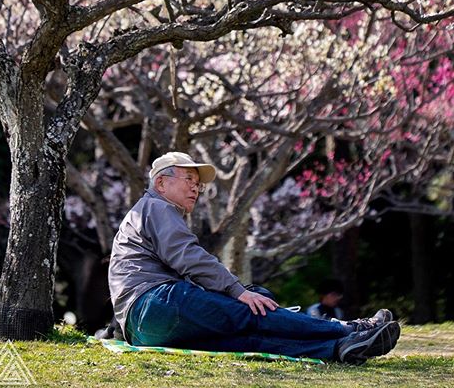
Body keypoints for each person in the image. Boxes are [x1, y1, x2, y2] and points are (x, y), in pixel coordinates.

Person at [106, 151, 401, 364]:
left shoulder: (147, 212)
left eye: (199, 183)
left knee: (245, 340)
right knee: (252, 310)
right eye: (189, 179)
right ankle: (351, 328)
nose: (196, 187)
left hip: (143, 328)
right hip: (157, 303)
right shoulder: (158, 208)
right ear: (161, 183)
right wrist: (238, 291)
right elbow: (189, 257)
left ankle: (339, 347)